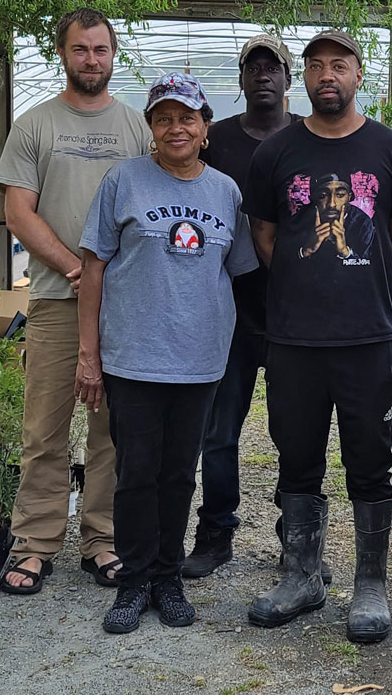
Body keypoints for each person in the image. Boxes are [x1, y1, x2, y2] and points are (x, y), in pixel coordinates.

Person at [242, 29, 392, 643]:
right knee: (296, 457)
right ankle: (301, 575)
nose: (328, 75)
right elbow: (267, 237)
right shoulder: (277, 153)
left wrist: (353, 273)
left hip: (365, 336)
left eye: (339, 65)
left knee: (369, 461)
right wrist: (305, 278)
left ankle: (369, 582)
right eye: (317, 65)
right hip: (293, 337)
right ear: (306, 76)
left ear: (358, 73)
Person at [76, 72, 258, 633]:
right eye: (163, 118)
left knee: (180, 473)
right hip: (133, 356)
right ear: (151, 128)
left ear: (205, 127)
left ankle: (168, 577)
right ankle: (132, 583)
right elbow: (93, 268)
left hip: (199, 360)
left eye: (186, 118)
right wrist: (89, 355)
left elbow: (235, 274)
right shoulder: (123, 181)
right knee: (135, 472)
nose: (175, 128)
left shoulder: (226, 192)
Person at [0, 8, 150, 595]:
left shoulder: (137, 129)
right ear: (63, 54)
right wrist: (75, 268)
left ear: (115, 55)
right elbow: (18, 212)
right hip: (61, 299)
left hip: (124, 307)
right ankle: (35, 543)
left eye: (101, 49)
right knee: (45, 429)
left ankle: (103, 539)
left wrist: (111, 280)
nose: (92, 59)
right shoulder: (35, 126)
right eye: (81, 49)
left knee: (114, 428)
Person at [183, 35, 301, 579]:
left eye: (272, 67)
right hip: (224, 313)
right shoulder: (217, 140)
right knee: (219, 433)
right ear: (241, 80)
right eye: (252, 67)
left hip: (290, 317)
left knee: (293, 433)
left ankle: (295, 538)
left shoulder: (309, 138)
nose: (262, 76)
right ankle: (215, 534)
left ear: (287, 78)